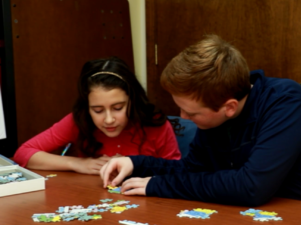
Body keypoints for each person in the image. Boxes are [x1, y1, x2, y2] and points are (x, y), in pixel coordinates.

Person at [100, 35, 301, 208]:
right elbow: (193, 172)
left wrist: (158, 185)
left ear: (229, 108)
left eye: (192, 112)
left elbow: (251, 187)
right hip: (265, 219)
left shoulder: (285, 99)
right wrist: (136, 163)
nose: (183, 118)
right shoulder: (213, 117)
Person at [14, 57, 181, 174]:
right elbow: (23, 153)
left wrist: (136, 165)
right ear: (87, 107)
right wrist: (78, 164)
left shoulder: (153, 123)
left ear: (132, 101)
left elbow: (177, 170)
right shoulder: (79, 120)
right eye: (98, 110)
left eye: (117, 108)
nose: (108, 119)